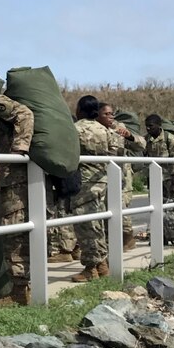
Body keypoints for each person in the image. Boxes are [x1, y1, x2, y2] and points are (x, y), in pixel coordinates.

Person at [0, 94, 34, 306]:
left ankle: (20, 291)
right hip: (8, 178)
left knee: (14, 233)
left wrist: (18, 150)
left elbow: (25, 114)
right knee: (13, 233)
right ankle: (20, 288)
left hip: (16, 179)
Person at [71, 95, 112, 282]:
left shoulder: (75, 129)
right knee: (97, 223)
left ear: (80, 110)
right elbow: (117, 150)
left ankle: (90, 268)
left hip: (84, 182)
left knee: (85, 225)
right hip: (102, 181)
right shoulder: (104, 130)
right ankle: (102, 264)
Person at [97, 103, 145, 250]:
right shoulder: (93, 128)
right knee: (103, 209)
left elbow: (142, 144)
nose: (110, 117)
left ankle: (126, 239)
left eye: (111, 114)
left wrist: (130, 136)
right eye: (106, 114)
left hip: (121, 176)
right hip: (100, 175)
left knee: (121, 208)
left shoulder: (119, 127)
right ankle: (109, 241)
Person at [143, 114, 174, 245]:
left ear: (159, 125)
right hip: (155, 179)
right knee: (156, 207)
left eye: (151, 126)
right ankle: (161, 236)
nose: (148, 129)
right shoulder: (146, 139)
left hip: (170, 178)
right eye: (147, 126)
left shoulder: (170, 139)